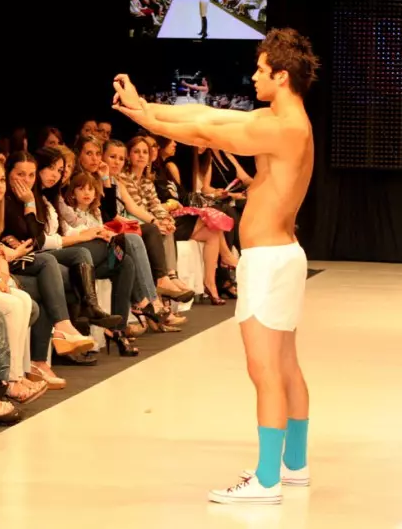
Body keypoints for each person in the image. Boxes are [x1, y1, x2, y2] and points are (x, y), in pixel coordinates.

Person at [112, 27, 319, 504]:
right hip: (282, 255)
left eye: (261, 70)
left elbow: (205, 131)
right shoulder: (284, 120)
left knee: (264, 369)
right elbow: (206, 114)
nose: (253, 76)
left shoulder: (282, 127)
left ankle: (266, 480)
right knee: (285, 365)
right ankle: (293, 465)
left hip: (268, 262)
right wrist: (146, 109)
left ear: (281, 75)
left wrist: (147, 118)